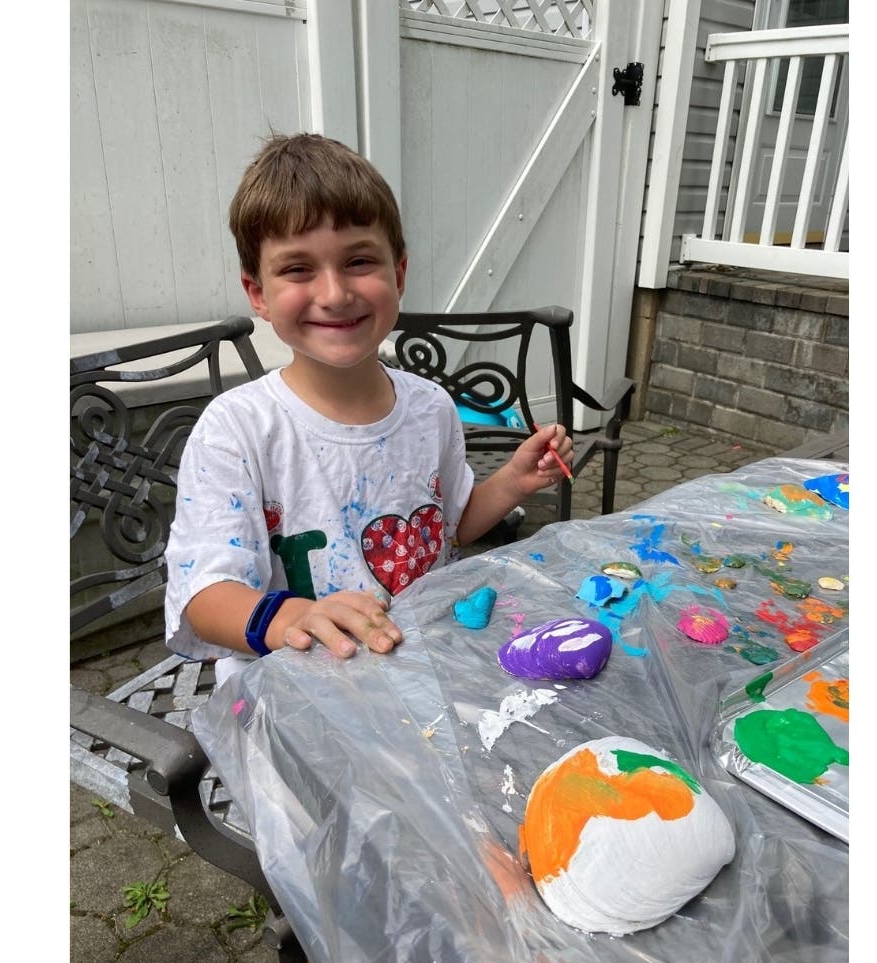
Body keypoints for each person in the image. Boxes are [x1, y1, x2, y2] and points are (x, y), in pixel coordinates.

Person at [164, 133, 574, 687]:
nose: (333, 294)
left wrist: (513, 483)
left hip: (423, 668)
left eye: (358, 261)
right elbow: (204, 595)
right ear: (257, 293)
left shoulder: (431, 407)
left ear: (398, 274)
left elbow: (450, 526)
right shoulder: (236, 431)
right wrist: (292, 616)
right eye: (298, 269)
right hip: (294, 693)